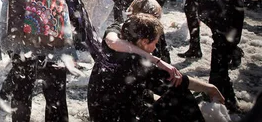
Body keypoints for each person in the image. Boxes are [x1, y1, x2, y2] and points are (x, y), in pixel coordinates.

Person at [88, 13, 224, 122]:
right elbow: (179, 80)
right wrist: (210, 88)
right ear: (144, 41)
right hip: (118, 117)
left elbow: (118, 28)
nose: (155, 48)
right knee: (179, 91)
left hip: (100, 116)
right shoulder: (138, 63)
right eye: (155, 43)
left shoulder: (112, 44)